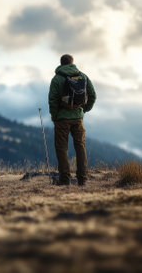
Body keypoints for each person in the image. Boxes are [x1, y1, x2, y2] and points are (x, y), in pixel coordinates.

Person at [48, 54, 96, 186]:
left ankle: (64, 180)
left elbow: (52, 100)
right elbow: (92, 95)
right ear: (72, 62)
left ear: (61, 63)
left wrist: (55, 116)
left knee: (62, 148)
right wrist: (84, 110)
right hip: (78, 118)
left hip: (62, 119)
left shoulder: (57, 79)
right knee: (80, 147)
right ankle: (82, 179)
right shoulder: (82, 76)